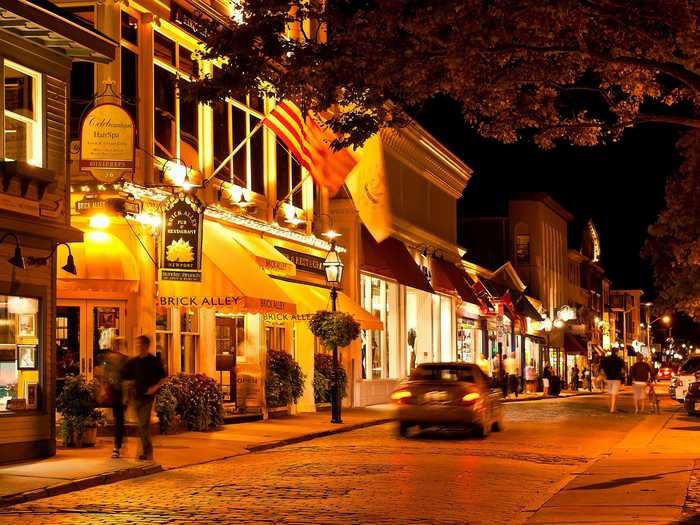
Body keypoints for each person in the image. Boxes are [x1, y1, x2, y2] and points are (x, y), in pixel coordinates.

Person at [122, 335, 166, 460]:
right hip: (136, 396)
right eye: (137, 344)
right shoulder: (133, 362)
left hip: (148, 397)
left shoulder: (154, 361)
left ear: (146, 346)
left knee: (143, 423)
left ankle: (145, 451)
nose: (138, 347)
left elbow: (163, 378)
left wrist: (154, 388)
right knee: (142, 424)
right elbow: (127, 379)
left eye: (140, 344)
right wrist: (126, 396)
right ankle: (146, 449)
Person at [94, 337, 129, 458]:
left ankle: (117, 446)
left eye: (118, 344)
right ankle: (119, 443)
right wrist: (103, 389)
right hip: (113, 392)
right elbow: (104, 375)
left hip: (120, 393)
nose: (117, 346)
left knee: (119, 420)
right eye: (116, 344)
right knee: (118, 420)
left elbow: (128, 379)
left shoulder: (125, 360)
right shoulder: (109, 358)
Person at [600, 348, 625, 413]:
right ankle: (612, 408)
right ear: (616, 352)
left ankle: (612, 407)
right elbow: (622, 370)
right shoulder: (619, 360)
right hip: (616, 378)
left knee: (610, 394)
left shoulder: (607, 359)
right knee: (614, 394)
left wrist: (604, 374)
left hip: (609, 378)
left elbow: (602, 367)